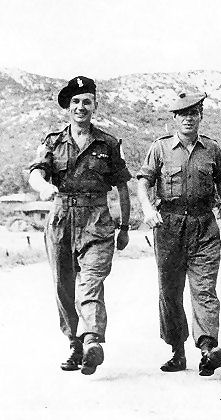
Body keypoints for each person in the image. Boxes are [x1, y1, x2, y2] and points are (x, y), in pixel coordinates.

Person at [29, 76, 132, 375]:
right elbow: (36, 172)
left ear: (95, 105)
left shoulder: (109, 143)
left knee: (90, 283)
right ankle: (74, 344)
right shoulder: (53, 141)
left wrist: (124, 227)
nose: (81, 107)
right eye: (75, 102)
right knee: (64, 287)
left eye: (87, 101)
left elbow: (122, 187)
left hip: (97, 219)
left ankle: (92, 341)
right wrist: (43, 187)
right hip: (61, 218)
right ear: (68, 107)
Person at [137, 91, 221, 376]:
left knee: (204, 288)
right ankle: (177, 351)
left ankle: (208, 348)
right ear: (175, 118)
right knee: (170, 292)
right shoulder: (159, 149)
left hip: (204, 224)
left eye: (193, 113)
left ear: (201, 116)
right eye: (183, 114)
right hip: (168, 226)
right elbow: (143, 184)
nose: (188, 118)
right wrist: (147, 209)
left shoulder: (212, 149)